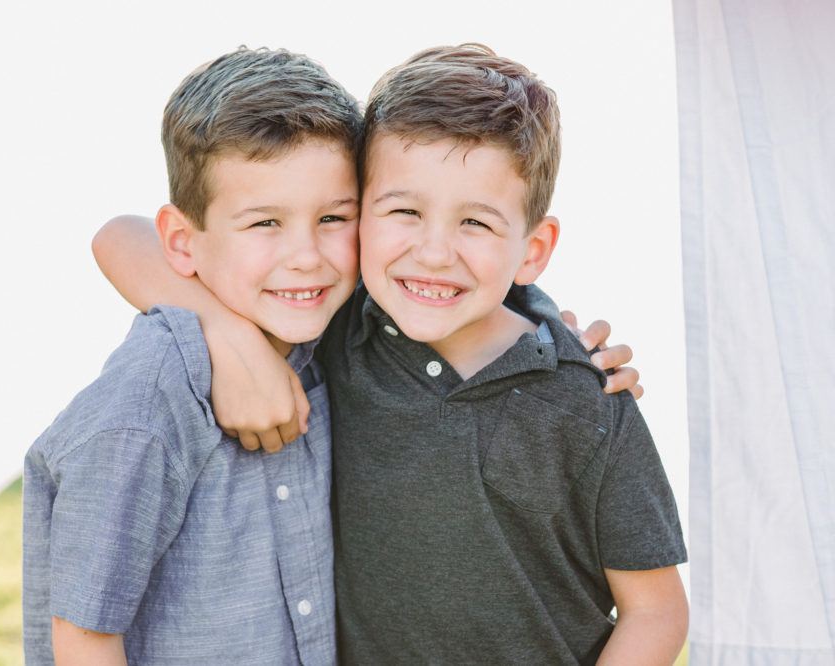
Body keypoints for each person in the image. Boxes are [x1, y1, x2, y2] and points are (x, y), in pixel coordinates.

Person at [93, 43, 687, 664]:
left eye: (475, 223)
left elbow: (657, 610)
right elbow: (119, 238)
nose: (434, 252)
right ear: (359, 212)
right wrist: (226, 333)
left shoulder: (587, 397)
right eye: (404, 211)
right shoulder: (344, 326)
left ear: (534, 249)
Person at [22, 46, 363, 665]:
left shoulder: (334, 334)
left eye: (334, 217)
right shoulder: (147, 404)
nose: (307, 255)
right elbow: (84, 637)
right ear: (183, 240)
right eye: (265, 223)